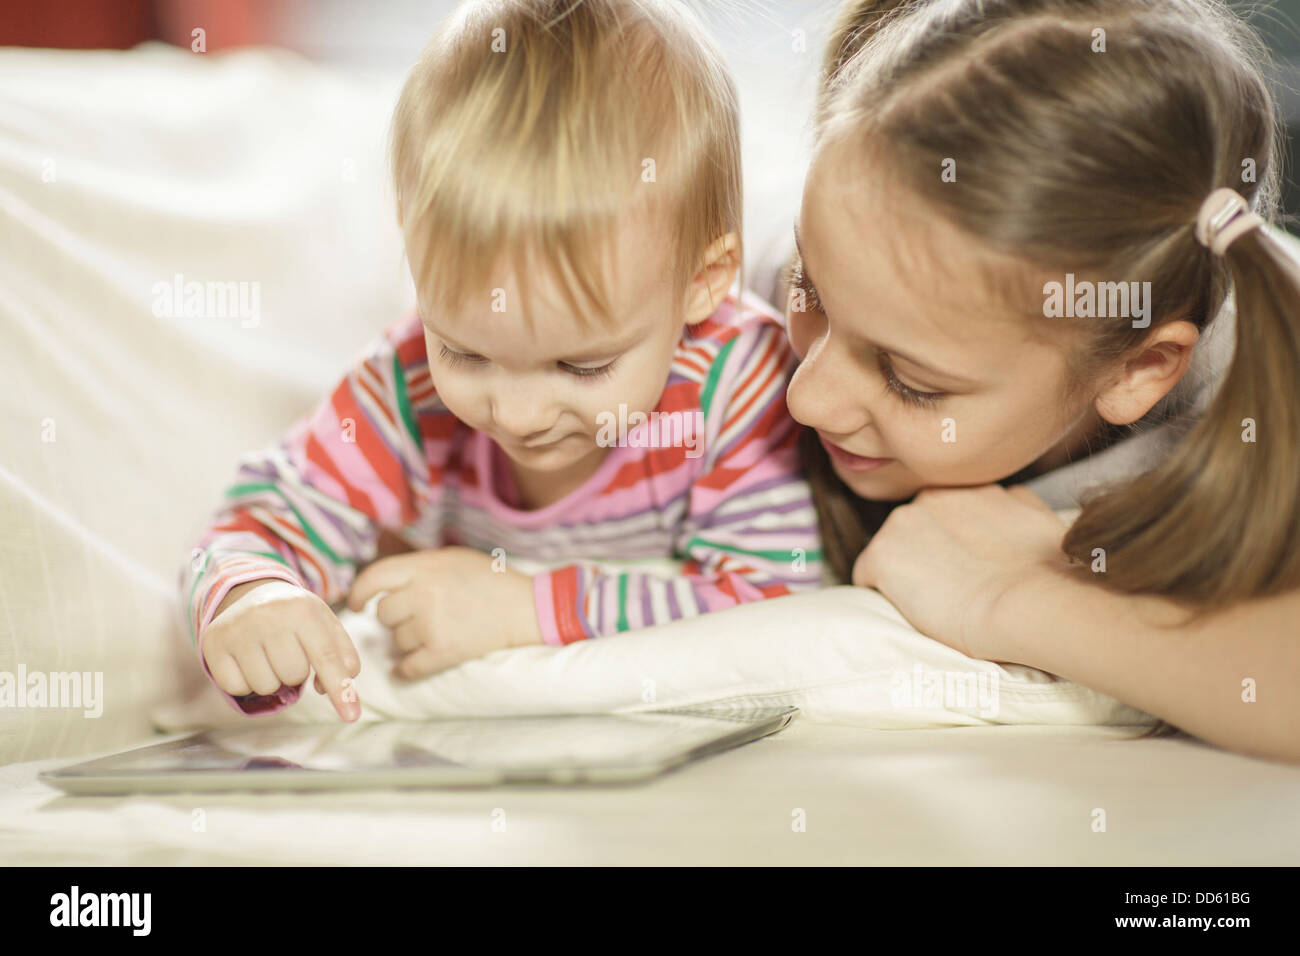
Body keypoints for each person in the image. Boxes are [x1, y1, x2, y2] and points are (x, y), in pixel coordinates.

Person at [178, 0, 821, 721]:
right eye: (467, 352)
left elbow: (777, 595)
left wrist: (525, 606)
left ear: (703, 282)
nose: (515, 415)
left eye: (580, 368)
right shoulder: (407, 383)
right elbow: (267, 514)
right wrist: (253, 593)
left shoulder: (738, 386)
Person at [784, 0, 1300, 761]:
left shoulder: (1259, 384)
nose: (804, 396)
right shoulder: (824, 263)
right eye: (810, 291)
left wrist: (1014, 597)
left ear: (1140, 371)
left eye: (912, 381)